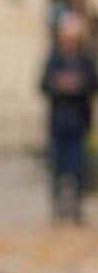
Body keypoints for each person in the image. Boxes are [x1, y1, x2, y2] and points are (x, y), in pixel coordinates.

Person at [39, 12, 95, 224]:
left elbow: (92, 83)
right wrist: (59, 85)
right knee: (58, 166)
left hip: (79, 122)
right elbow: (44, 84)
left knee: (78, 166)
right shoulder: (54, 59)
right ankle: (57, 205)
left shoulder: (85, 60)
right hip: (58, 123)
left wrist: (79, 85)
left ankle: (77, 207)